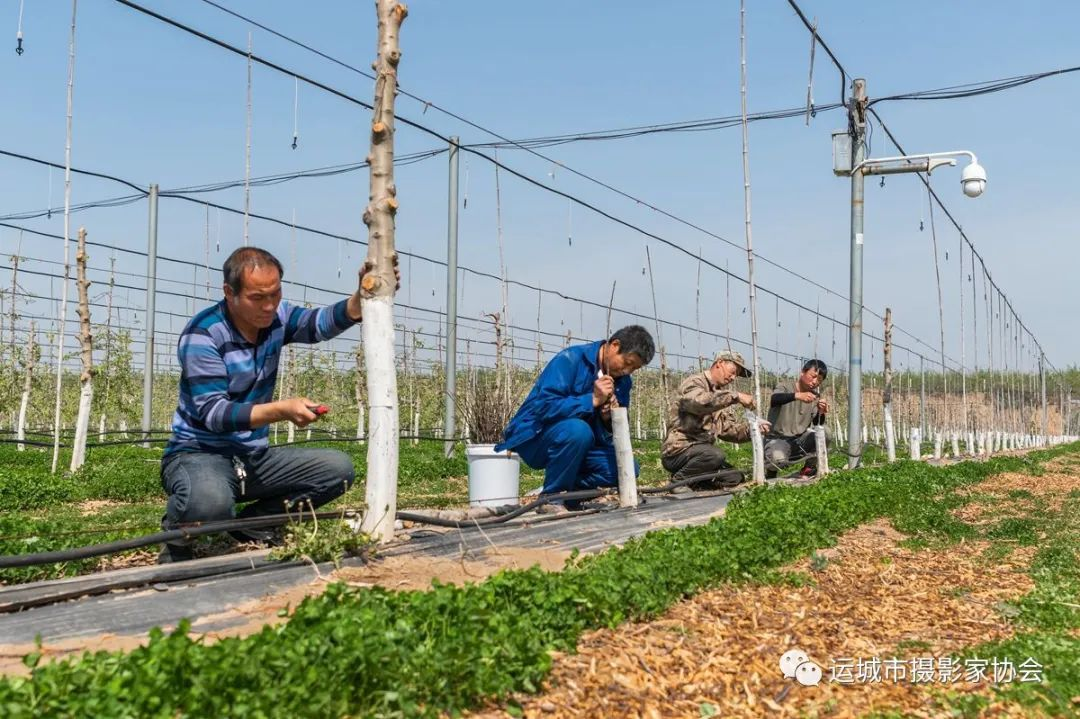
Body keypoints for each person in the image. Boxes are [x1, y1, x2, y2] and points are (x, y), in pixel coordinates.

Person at [158, 246, 397, 562]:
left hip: (252, 459)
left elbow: (318, 324)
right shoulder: (203, 334)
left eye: (276, 294)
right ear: (230, 293)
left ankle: (254, 526)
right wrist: (282, 410)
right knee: (210, 502)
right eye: (258, 298)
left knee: (337, 470)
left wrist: (361, 297)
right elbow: (215, 414)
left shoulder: (276, 318)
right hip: (200, 454)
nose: (270, 306)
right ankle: (177, 540)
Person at [495, 325, 655, 511]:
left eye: (634, 368)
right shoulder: (570, 360)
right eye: (627, 363)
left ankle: (571, 495)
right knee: (578, 430)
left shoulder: (623, 382)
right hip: (537, 438)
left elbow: (613, 432)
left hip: (581, 445)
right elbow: (543, 408)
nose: (628, 371)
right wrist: (592, 399)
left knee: (628, 469)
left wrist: (607, 419)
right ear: (614, 345)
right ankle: (551, 498)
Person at [661, 350, 769, 490]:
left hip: (703, 456)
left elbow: (727, 430)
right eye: (733, 371)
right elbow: (699, 403)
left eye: (736, 375)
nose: (733, 377)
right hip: (678, 451)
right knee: (715, 455)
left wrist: (752, 430)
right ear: (720, 363)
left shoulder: (720, 395)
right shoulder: (695, 383)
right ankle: (678, 482)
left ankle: (695, 483)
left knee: (734, 477)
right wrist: (735, 396)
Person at [764, 359, 829, 479]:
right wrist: (797, 396)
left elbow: (817, 423)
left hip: (799, 442)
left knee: (825, 432)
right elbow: (774, 400)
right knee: (777, 459)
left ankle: (809, 468)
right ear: (802, 372)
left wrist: (821, 412)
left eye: (819, 380)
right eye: (813, 376)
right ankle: (771, 473)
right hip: (778, 440)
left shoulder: (815, 397)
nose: (815, 382)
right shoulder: (785, 386)